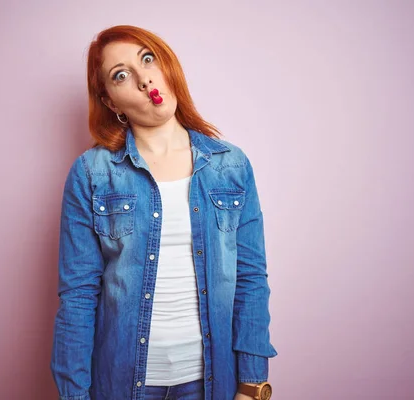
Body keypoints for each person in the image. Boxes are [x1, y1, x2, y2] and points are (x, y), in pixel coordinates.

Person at [50, 25, 277, 400]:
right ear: (111, 102)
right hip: (122, 384)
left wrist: (252, 386)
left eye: (148, 59)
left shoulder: (232, 166)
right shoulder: (92, 173)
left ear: (167, 66)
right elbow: (77, 295)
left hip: (211, 384)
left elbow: (251, 279)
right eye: (121, 75)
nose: (144, 80)